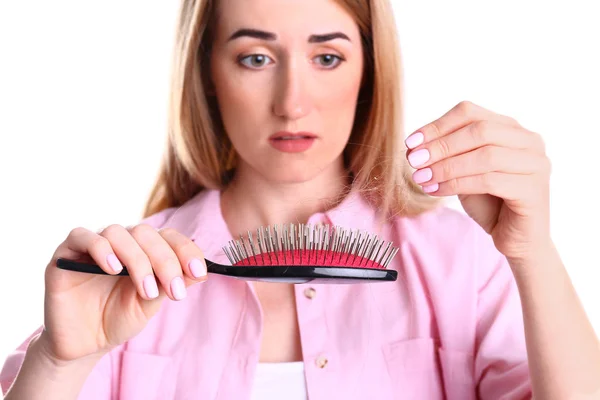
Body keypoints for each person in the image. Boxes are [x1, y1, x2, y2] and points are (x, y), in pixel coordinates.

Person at [2, 0, 599, 398]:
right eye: (255, 57)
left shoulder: (463, 262)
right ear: (207, 71)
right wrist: (59, 362)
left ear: (369, 69)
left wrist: (534, 254)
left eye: (327, 57)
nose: (292, 102)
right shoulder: (125, 283)